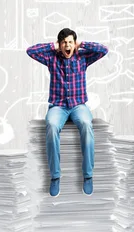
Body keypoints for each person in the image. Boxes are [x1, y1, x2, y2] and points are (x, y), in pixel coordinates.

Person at [26, 28, 108, 197]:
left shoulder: (83, 57)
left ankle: (88, 175)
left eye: (70, 42)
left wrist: (82, 44)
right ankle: (55, 176)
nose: (67, 45)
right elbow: (30, 51)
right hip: (58, 106)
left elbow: (104, 50)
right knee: (51, 125)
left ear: (74, 43)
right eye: (64, 42)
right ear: (60, 45)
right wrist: (52, 45)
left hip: (79, 105)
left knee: (86, 124)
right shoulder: (51, 58)